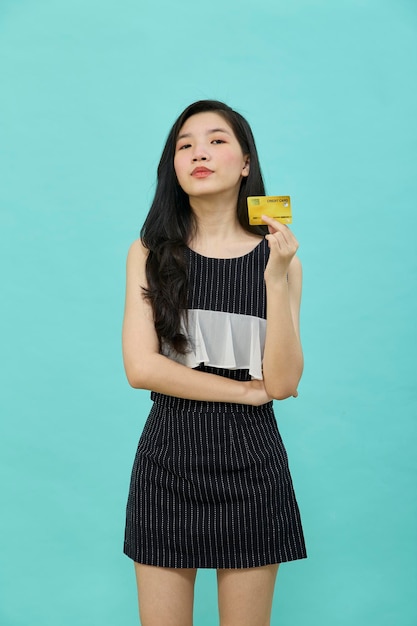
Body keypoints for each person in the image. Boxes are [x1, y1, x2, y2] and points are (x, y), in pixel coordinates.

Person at [122, 99, 307, 626]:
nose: (198, 152)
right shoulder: (148, 252)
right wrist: (244, 391)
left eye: (216, 140)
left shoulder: (283, 259)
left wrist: (275, 277)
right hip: (167, 463)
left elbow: (286, 381)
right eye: (185, 145)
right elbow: (142, 369)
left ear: (246, 162)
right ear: (173, 166)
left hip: (254, 465)